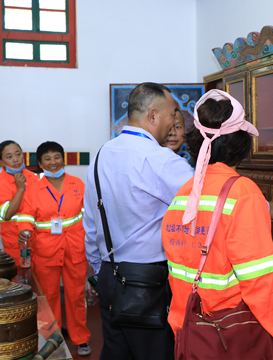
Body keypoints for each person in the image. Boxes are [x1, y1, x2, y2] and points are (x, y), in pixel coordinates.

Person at [161, 90, 273, 359]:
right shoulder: (242, 192)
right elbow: (261, 281)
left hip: (188, 333)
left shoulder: (185, 193)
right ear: (239, 145)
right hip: (229, 336)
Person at [84, 82, 193, 360]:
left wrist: (98, 271)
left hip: (109, 276)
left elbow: (91, 223)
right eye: (172, 112)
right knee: (154, 353)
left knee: (116, 352)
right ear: (153, 115)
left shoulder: (101, 155)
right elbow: (209, 201)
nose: (174, 120)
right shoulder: (160, 159)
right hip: (146, 283)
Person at [16, 141, 92, 356]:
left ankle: (81, 338)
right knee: (48, 298)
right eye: (47, 159)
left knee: (76, 296)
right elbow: (25, 215)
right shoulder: (33, 189)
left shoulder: (77, 184)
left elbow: (89, 214)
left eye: (57, 157)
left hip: (75, 249)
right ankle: (52, 339)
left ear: (63, 159)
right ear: (40, 164)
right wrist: (24, 229)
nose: (53, 162)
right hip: (46, 251)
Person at [0, 140, 39, 264]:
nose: (16, 159)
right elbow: (7, 214)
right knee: (20, 276)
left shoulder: (32, 176)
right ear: (1, 161)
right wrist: (20, 189)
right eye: (9, 157)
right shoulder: (0, 183)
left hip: (38, 242)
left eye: (18, 154)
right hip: (16, 244)